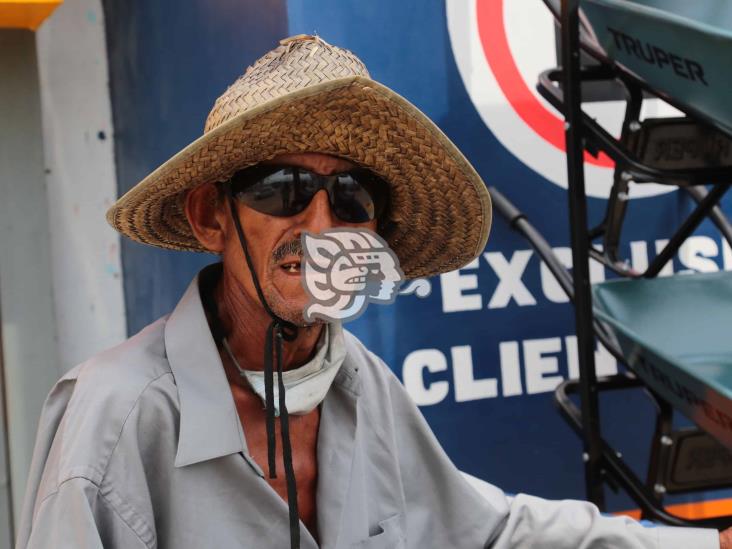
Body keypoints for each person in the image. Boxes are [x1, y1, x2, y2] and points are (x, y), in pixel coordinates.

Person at [15, 34, 730, 549]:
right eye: (282, 189)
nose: (320, 226)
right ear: (212, 217)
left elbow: (490, 531)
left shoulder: (360, 386)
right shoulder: (113, 416)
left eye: (351, 198)